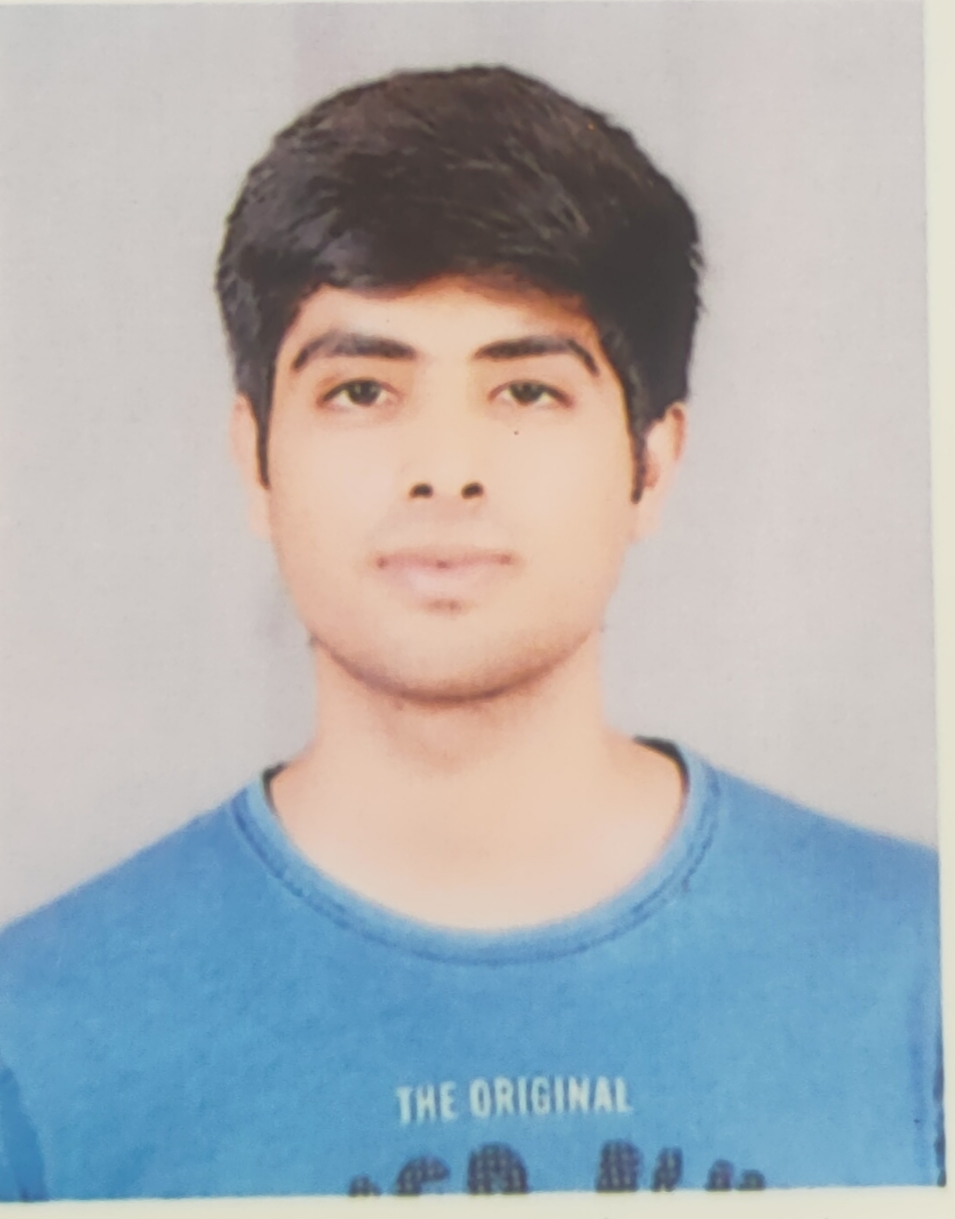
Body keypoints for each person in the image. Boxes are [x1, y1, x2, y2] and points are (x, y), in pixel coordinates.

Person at [0, 65, 943, 1200]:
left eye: (527, 392)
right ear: (255, 460)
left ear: (651, 462)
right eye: (361, 390)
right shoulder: (36, 1035)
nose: (444, 469)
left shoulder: (916, 970)